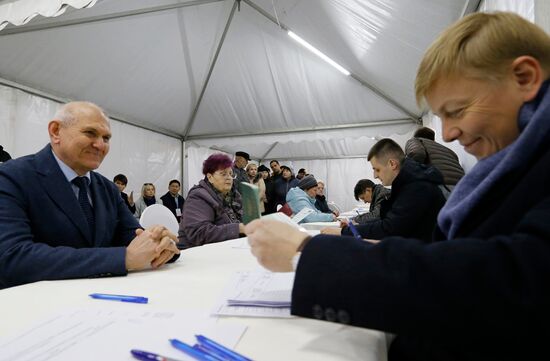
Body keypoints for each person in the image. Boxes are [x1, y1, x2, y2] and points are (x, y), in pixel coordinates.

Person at [245, 12, 550, 360]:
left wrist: (311, 253)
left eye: (458, 110)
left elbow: (509, 284)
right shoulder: (514, 164)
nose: (448, 133)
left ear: (524, 78)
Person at [0, 101, 179, 289]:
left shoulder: (107, 188)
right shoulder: (12, 178)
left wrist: (160, 244)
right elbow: (11, 258)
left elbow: (132, 235)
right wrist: (123, 258)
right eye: (90, 133)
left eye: (106, 138)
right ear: (55, 132)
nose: (100, 145)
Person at [322, 138, 445, 242]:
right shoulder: (410, 183)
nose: (375, 176)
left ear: (392, 164)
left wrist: (345, 231)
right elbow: (389, 223)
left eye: (377, 169)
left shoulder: (417, 187)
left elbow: (389, 229)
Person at [178, 153, 244, 249]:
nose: (229, 177)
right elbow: (198, 233)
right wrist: (239, 228)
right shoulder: (198, 196)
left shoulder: (234, 194)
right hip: (193, 254)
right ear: (210, 177)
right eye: (223, 174)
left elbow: (243, 218)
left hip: (224, 249)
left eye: (231, 174)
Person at [405, 126, 465, 197]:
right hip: (463, 187)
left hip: (440, 185)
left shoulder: (415, 140)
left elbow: (416, 154)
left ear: (416, 136)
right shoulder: (448, 150)